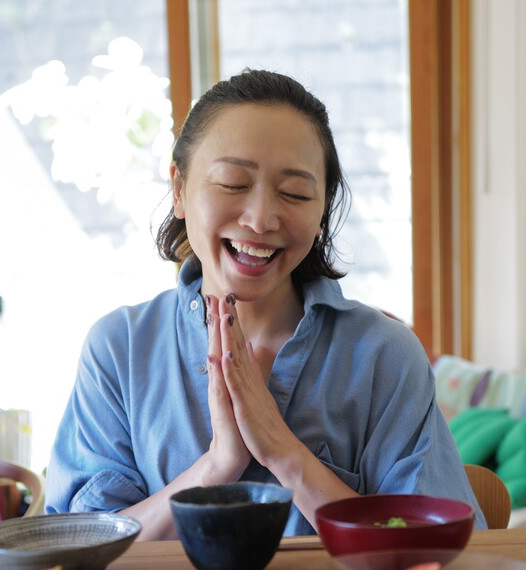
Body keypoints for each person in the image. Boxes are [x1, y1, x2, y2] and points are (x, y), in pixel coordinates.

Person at [46, 69, 482, 538]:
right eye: (233, 183)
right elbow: (78, 547)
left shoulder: (385, 355)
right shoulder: (119, 349)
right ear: (179, 189)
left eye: (295, 193)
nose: (260, 219)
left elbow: (433, 550)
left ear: (322, 213)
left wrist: (283, 453)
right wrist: (217, 466)